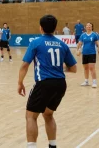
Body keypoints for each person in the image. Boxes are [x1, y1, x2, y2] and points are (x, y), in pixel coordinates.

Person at [18, 15, 77, 148]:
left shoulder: (36, 42)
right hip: (60, 84)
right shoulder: (63, 44)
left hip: (44, 83)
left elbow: (24, 65)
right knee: (48, 114)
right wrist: (61, 69)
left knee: (31, 116)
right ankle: (52, 145)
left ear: (41, 28)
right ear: (55, 28)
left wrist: (20, 83)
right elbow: (74, 69)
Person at [76, 23, 99, 88]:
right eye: (87, 26)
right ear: (85, 27)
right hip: (84, 53)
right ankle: (86, 81)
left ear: (92, 27)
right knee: (85, 68)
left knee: (91, 67)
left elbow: (98, 43)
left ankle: (94, 82)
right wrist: (78, 50)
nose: (88, 27)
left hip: (92, 53)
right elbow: (79, 43)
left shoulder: (94, 35)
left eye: (90, 26)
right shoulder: (83, 35)